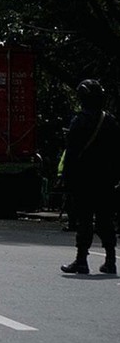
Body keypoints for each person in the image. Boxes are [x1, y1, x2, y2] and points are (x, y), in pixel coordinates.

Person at [59, 79, 119, 275]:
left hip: (83, 182)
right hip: (106, 182)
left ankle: (81, 261)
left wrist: (65, 180)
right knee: (105, 221)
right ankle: (111, 261)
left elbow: (71, 154)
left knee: (84, 221)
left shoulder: (80, 122)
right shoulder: (110, 121)